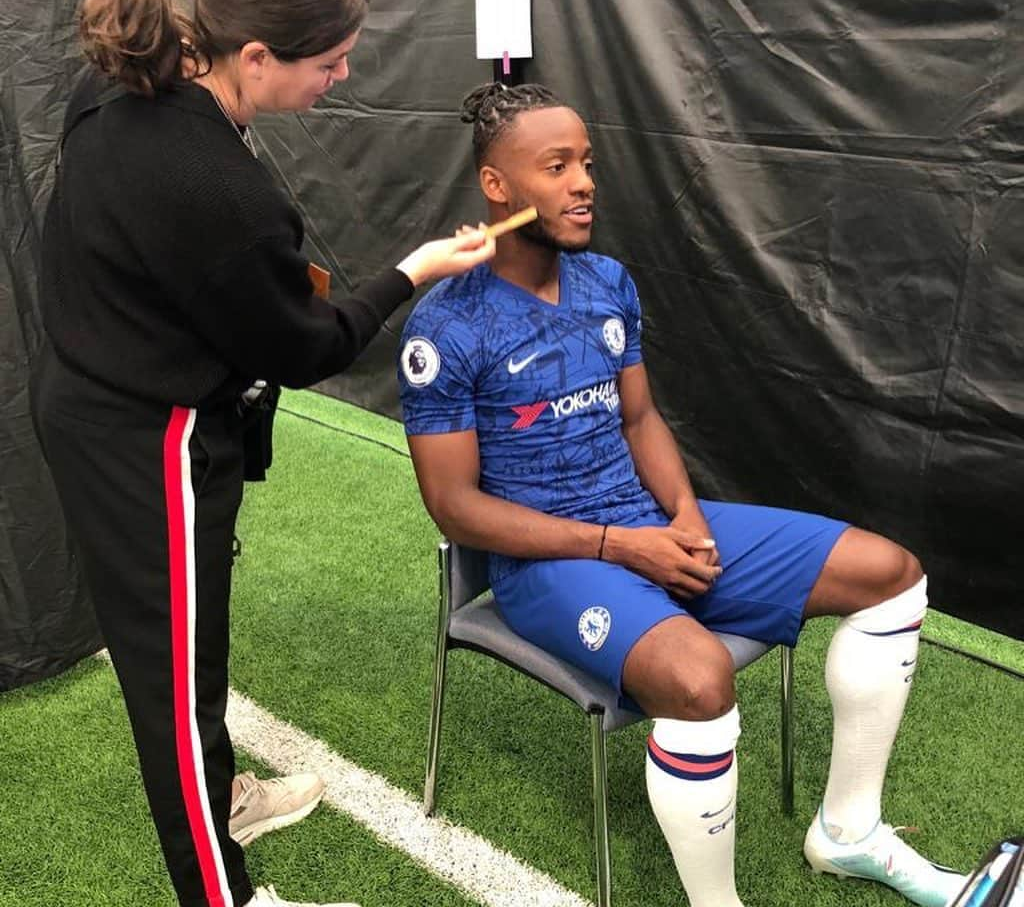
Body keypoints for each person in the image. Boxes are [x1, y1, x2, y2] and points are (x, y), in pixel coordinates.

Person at [398, 81, 967, 907]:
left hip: (645, 525)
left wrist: (686, 519)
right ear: (497, 187)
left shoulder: (607, 283)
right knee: (701, 679)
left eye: (586, 163)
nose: (584, 182)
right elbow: (454, 508)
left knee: (890, 573)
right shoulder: (446, 325)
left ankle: (849, 833)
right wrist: (619, 547)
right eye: (556, 167)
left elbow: (640, 419)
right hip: (545, 566)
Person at [30, 0, 495, 907]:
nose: (338, 80)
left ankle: (224, 793)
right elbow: (308, 345)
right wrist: (412, 269)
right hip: (142, 438)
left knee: (191, 657)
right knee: (174, 695)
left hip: (114, 394)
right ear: (251, 53)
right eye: (328, 62)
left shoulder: (130, 78)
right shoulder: (218, 190)